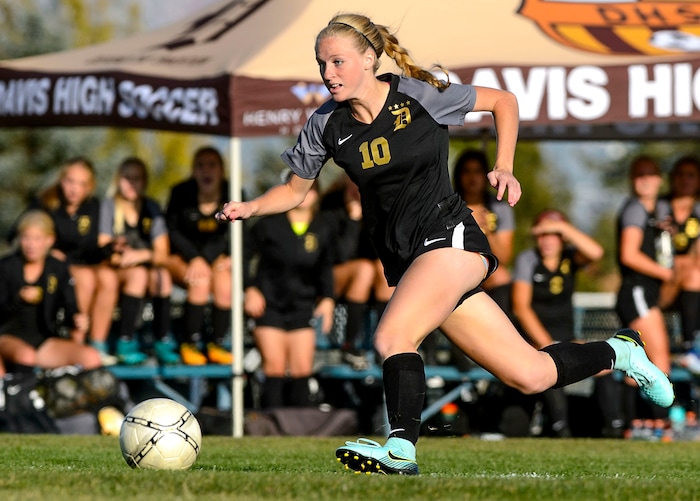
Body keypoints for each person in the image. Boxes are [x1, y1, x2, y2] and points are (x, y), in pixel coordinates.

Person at [217, 14, 673, 475]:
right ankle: (621, 351)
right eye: (321, 63)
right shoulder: (325, 124)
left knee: (393, 335)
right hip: (408, 258)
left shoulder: (419, 94)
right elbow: (295, 191)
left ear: (370, 60)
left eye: (338, 61)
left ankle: (400, 450)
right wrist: (251, 207)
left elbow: (504, 101)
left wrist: (506, 165)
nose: (327, 73)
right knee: (530, 375)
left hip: (451, 238)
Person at [511, 209, 605, 437]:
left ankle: (612, 427)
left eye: (552, 234)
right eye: (542, 234)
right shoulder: (527, 259)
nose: (546, 240)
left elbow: (596, 252)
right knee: (549, 363)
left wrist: (562, 227)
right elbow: (521, 308)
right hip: (534, 341)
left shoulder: (571, 257)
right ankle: (560, 427)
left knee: (604, 366)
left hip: (566, 338)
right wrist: (549, 344)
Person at [244, 179, 335, 408]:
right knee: (274, 366)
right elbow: (242, 256)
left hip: (302, 306)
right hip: (269, 306)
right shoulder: (268, 225)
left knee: (301, 369)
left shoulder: (323, 227)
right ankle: (270, 427)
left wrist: (327, 299)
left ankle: (298, 430)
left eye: (312, 188)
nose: (306, 194)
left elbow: (326, 267)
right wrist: (250, 288)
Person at [7, 158, 105, 349]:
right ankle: (76, 341)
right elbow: (17, 234)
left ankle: (100, 342)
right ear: (61, 180)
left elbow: (92, 250)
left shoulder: (93, 208)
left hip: (81, 265)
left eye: (81, 184)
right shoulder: (45, 202)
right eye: (70, 181)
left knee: (106, 278)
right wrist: (47, 250)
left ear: (90, 187)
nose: (74, 189)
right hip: (50, 268)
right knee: (84, 278)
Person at [90, 157, 174, 365]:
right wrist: (121, 253)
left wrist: (141, 255)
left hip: (142, 270)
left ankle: (162, 340)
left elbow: (162, 253)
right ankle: (125, 341)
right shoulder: (109, 206)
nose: (131, 183)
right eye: (127, 178)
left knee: (162, 276)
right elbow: (104, 247)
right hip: (116, 269)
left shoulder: (151, 208)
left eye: (137, 178)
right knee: (138, 275)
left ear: (144, 182)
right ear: (118, 180)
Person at [0, 210, 102, 376]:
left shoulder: (57, 268)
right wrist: (18, 298)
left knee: (90, 356)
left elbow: (70, 306)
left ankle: (84, 401)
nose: (31, 244)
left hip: (42, 341)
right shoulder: (6, 266)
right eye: (26, 238)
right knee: (26, 356)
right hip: (6, 337)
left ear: (49, 240)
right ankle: (21, 398)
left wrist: (77, 319)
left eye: (37, 238)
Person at [615, 156, 673, 426]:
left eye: (651, 174)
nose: (646, 180)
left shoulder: (656, 211)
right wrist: (666, 274)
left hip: (645, 293)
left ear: (660, 179)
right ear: (632, 180)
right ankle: (653, 422)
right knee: (655, 359)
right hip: (636, 291)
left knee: (640, 360)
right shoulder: (635, 209)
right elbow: (629, 254)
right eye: (640, 175)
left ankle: (637, 422)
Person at [165, 146, 233, 365]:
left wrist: (211, 258)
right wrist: (194, 257)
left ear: (221, 170)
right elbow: (172, 231)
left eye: (212, 165)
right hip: (182, 259)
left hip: (214, 260)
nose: (206, 170)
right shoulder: (180, 193)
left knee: (224, 283)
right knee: (200, 280)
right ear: (194, 171)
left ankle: (217, 344)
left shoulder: (233, 194)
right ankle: (190, 343)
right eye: (201, 165)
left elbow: (233, 234)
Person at [453, 149, 515, 313]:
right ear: (458, 175)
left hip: (487, 269)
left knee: (502, 275)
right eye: (466, 171)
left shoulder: (499, 207)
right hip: (455, 266)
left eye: (478, 171)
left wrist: (487, 232)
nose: (472, 178)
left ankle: (501, 334)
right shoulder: (449, 205)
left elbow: (505, 258)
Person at [657, 156, 700, 367]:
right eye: (680, 174)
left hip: (693, 289)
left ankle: (692, 348)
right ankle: (690, 348)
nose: (685, 180)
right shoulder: (659, 208)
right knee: (689, 270)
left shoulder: (698, 210)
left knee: (694, 272)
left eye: (691, 175)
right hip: (663, 286)